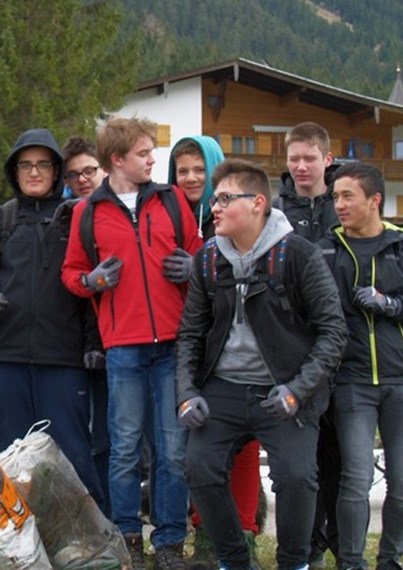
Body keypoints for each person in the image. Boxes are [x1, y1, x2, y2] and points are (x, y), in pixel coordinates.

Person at [176, 158, 347, 570]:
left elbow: (334, 332)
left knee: (296, 478)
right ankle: (235, 560)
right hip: (223, 387)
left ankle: (294, 563)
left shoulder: (299, 255)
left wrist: (297, 390)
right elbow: (189, 336)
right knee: (199, 469)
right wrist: (187, 394)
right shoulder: (206, 260)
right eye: (214, 200)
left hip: (284, 388)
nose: (214, 207)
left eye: (224, 199)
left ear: (257, 203)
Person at [61, 117, 202, 570]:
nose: (152, 160)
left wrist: (192, 266)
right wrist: (91, 280)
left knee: (172, 450)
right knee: (123, 448)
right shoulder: (87, 212)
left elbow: (201, 249)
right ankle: (126, 540)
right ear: (117, 160)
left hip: (173, 345)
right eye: (144, 153)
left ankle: (169, 544)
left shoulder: (172, 201)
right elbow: (71, 274)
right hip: (123, 347)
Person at [318, 162, 403, 570]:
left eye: (347, 196)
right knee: (355, 480)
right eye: (335, 196)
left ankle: (390, 560)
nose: (338, 204)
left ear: (374, 200)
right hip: (352, 382)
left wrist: (391, 304)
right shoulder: (328, 250)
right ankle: (351, 563)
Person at [0, 128, 103, 504]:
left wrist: (93, 344)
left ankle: (91, 545)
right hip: (4, 357)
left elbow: (90, 288)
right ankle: (16, 544)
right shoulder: (0, 220)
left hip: (63, 359)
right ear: (15, 170)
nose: (34, 172)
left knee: (73, 456)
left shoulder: (75, 218)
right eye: (26, 164)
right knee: (8, 458)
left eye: (43, 164)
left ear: (56, 171)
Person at [169, 136, 263, 569]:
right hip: (185, 348)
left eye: (198, 169)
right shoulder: (167, 213)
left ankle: (242, 534)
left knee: (240, 451)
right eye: (181, 170)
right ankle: (205, 531)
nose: (189, 178)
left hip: (232, 354)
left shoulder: (232, 219)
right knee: (192, 450)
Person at [274, 121, 342, 568]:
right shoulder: (276, 210)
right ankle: (307, 546)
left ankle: (340, 542)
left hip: (344, 349)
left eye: (309, 158)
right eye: (294, 158)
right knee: (301, 462)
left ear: (327, 160)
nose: (301, 166)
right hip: (295, 352)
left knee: (340, 457)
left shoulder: (346, 201)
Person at [61, 135, 111, 513]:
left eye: (89, 171)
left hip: (117, 344)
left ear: (105, 168)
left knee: (114, 440)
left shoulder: (118, 212)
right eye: (74, 174)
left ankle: (113, 518)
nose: (83, 179)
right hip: (69, 348)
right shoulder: (63, 219)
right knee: (83, 440)